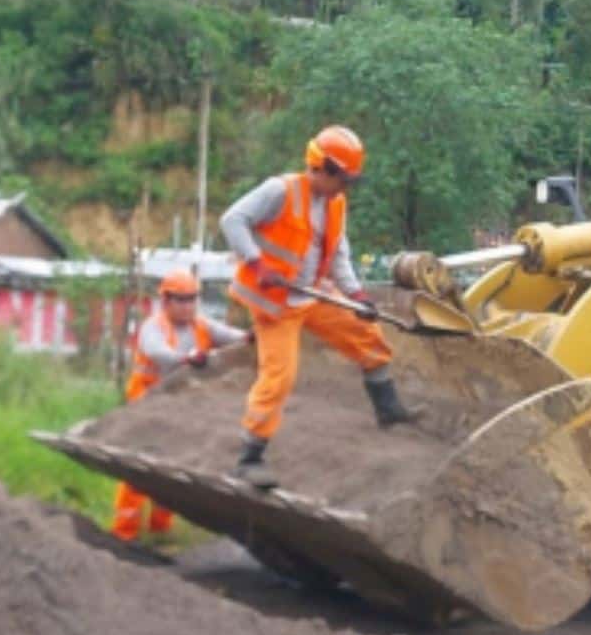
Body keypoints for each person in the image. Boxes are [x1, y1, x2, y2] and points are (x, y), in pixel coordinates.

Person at [221, 124, 422, 488]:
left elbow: (339, 252)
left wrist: (356, 295)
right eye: (343, 180)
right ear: (322, 168)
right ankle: (249, 458)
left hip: (311, 293)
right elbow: (232, 219)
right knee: (279, 378)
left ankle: (389, 411)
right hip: (276, 303)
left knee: (367, 335)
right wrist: (256, 263)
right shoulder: (279, 190)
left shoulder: (335, 203)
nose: (345, 188)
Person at [112, 269, 248, 541]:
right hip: (146, 407)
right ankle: (123, 534)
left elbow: (233, 336)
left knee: (171, 470)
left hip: (179, 410)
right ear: (166, 300)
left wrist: (254, 336)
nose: (188, 306)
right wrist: (186, 358)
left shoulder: (202, 325)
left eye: (192, 299)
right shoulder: (153, 327)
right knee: (139, 470)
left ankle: (161, 531)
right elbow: (158, 352)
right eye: (181, 299)